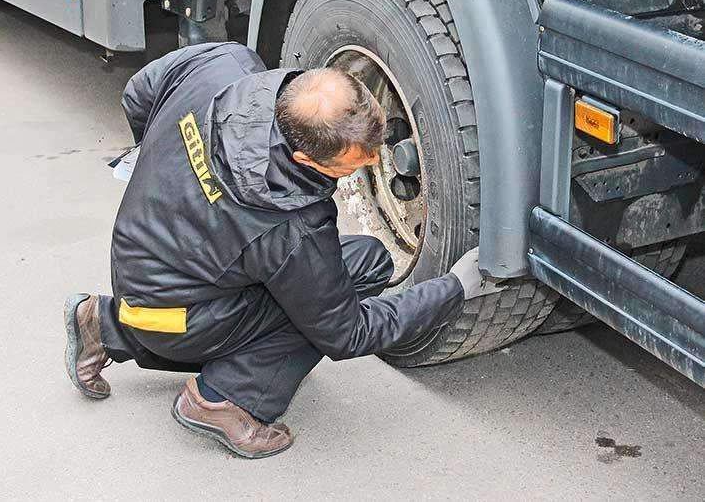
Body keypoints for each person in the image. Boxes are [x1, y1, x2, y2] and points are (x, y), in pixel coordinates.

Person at [64, 42, 493, 459]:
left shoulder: (224, 64)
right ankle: (222, 400)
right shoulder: (289, 226)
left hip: (142, 272)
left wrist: (166, 169)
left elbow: (138, 92)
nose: (370, 164)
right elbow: (347, 334)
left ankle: (104, 324)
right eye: (354, 164)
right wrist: (455, 287)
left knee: (367, 259)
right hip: (173, 318)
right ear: (306, 160)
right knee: (318, 309)